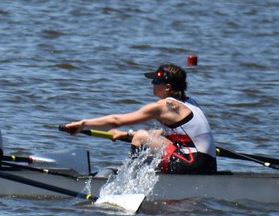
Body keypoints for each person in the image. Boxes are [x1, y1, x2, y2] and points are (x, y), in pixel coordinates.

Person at [61, 63, 216, 174]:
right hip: (207, 166)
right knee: (150, 134)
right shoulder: (190, 103)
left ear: (168, 87)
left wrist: (84, 123)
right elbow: (165, 134)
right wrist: (127, 134)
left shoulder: (165, 106)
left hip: (192, 165)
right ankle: (141, 173)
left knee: (141, 136)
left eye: (156, 81)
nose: (152, 84)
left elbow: (116, 121)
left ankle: (129, 179)